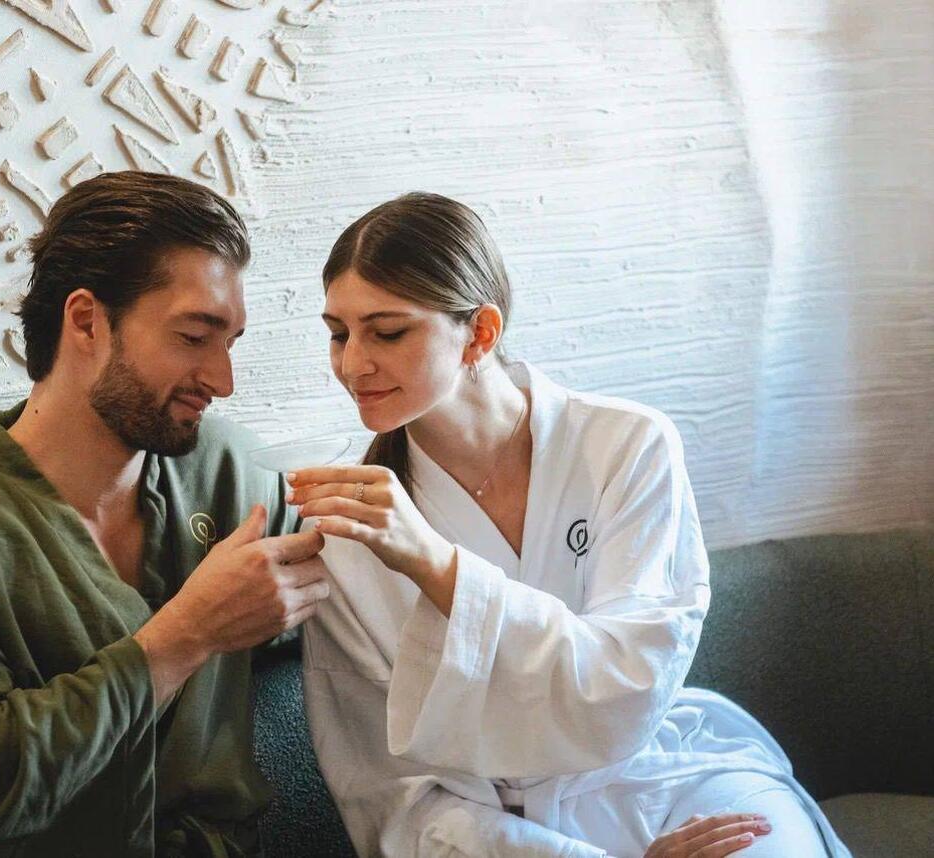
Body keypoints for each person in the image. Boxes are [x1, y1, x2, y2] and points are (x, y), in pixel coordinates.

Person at [294, 192, 852, 857]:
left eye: (387, 332)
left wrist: (436, 566)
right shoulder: (346, 532)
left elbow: (628, 687)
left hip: (668, 777)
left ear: (480, 332)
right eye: (338, 333)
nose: (352, 364)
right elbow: (392, 800)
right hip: (497, 835)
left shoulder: (626, 445)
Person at [0, 172, 331, 857]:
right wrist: (183, 636)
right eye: (194, 336)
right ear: (87, 321)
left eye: (231, 343)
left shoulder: (225, 472)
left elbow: (368, 586)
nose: (223, 380)